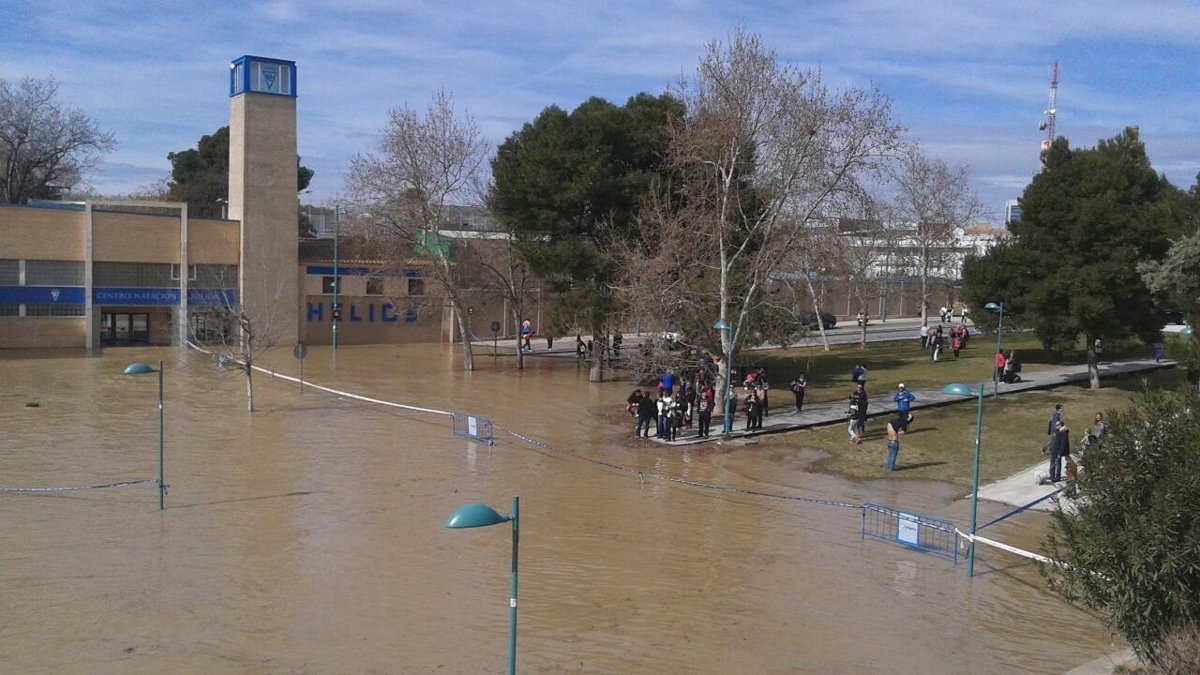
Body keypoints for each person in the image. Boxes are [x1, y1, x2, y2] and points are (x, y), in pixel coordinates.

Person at [1049, 418, 1070, 482]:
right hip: (1054, 450)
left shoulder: (1064, 433)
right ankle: (1052, 475)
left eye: (1057, 425)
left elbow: (1063, 444)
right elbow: (1054, 440)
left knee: (1058, 464)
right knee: (1052, 463)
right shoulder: (1057, 431)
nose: (1055, 426)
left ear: (1060, 425)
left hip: (1058, 451)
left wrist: (1060, 453)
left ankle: (1057, 477)